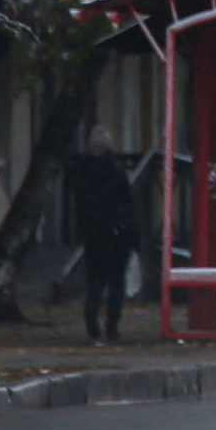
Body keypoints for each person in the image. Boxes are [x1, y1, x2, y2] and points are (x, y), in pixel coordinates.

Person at [72, 126, 139, 343]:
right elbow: (128, 206)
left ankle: (91, 319)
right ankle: (112, 326)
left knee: (95, 280)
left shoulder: (82, 173)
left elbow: (80, 206)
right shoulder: (116, 173)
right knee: (116, 282)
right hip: (116, 236)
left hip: (93, 235)